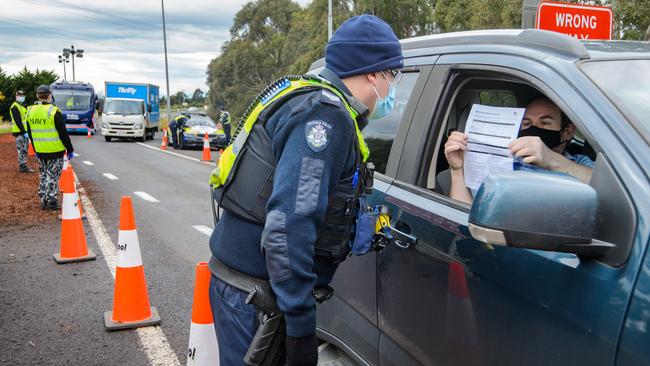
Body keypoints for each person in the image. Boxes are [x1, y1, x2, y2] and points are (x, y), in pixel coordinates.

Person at [207, 14, 403, 366]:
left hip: (247, 285)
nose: (392, 88)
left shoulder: (310, 100)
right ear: (374, 73)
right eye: (393, 75)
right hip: (257, 298)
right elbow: (288, 226)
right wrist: (300, 325)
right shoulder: (324, 117)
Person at [445, 97, 594, 204]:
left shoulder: (579, 163)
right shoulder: (500, 163)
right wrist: (457, 170)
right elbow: (464, 216)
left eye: (545, 123)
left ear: (567, 132)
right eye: (527, 123)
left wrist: (551, 159)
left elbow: (609, 188)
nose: (534, 130)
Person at [25, 85, 74, 210]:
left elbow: (30, 132)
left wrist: (35, 149)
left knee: (44, 175)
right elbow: (63, 133)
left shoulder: (30, 110)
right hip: (55, 150)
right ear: (49, 95)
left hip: (40, 150)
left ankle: (43, 199)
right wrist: (70, 149)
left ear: (37, 95)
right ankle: (52, 201)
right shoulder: (53, 111)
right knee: (53, 176)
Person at [10, 90, 34, 173]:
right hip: (19, 132)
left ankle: (23, 165)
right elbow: (18, 121)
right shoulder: (14, 106)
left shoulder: (22, 106)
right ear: (16, 96)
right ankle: (22, 166)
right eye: (20, 95)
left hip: (24, 132)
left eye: (23, 95)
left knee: (25, 149)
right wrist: (24, 132)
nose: (22, 96)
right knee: (21, 149)